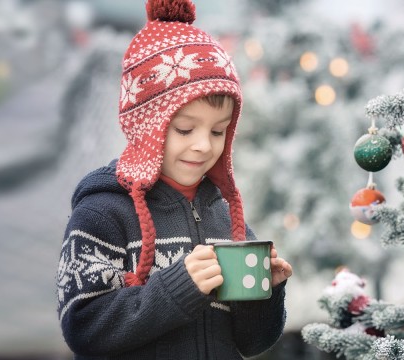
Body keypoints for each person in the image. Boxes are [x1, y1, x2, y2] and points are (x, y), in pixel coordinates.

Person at [56, 0, 293, 358]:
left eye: (218, 132)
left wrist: (266, 293)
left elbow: (253, 342)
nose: (203, 146)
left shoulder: (227, 220)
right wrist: (178, 286)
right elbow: (84, 328)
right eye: (184, 129)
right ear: (147, 125)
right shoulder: (103, 214)